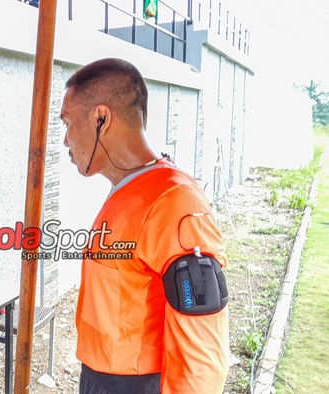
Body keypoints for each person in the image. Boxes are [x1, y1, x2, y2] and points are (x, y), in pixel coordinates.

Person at [61, 58, 230, 393]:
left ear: (101, 118)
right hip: (99, 378)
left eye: (68, 123)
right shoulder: (127, 190)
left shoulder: (175, 201)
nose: (65, 140)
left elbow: (201, 355)